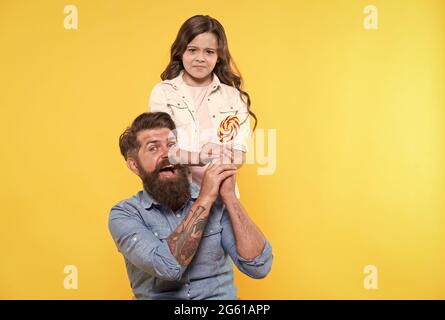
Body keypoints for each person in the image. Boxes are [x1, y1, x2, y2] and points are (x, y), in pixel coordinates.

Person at [108, 112, 272, 300]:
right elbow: (168, 267)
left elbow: (259, 267)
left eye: (172, 146)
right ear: (134, 166)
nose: (168, 154)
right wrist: (205, 198)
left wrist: (229, 197)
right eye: (153, 148)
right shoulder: (125, 214)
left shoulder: (217, 202)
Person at [149, 15, 257, 191]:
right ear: (181, 52)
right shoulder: (163, 93)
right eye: (192, 50)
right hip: (178, 197)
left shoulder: (234, 98)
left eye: (209, 52)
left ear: (219, 56)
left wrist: (222, 161)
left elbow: (239, 154)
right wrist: (200, 156)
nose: (200, 58)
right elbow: (163, 151)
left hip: (222, 199)